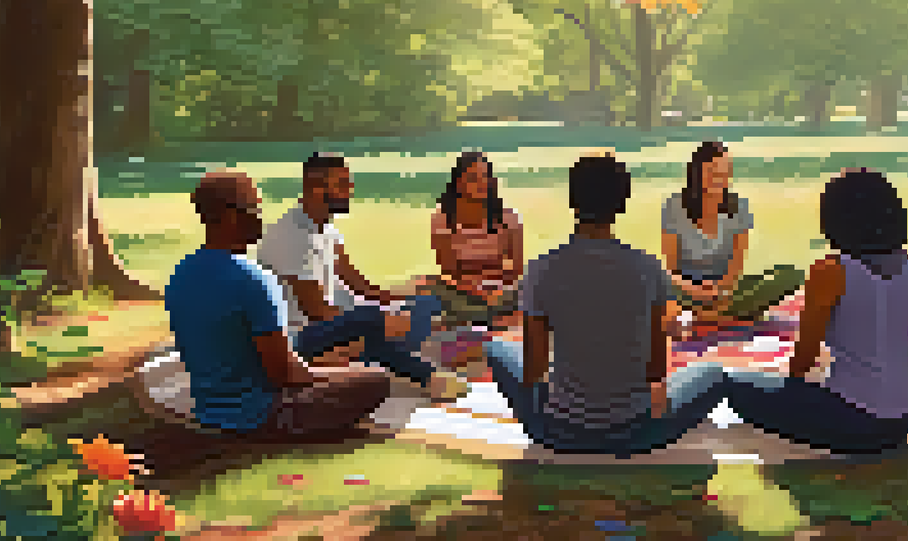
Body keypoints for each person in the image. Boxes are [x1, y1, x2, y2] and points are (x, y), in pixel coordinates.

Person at [482, 153, 734, 458]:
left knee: (497, 348)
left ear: (573, 202)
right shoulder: (648, 269)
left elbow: (534, 371)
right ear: (622, 202)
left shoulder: (540, 270)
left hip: (557, 432)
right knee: (713, 373)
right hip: (636, 432)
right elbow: (656, 371)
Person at [165, 169, 395, 439]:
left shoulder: (181, 274)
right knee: (375, 380)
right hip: (264, 415)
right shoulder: (253, 278)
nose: (261, 218)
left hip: (207, 410)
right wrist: (340, 374)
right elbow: (285, 374)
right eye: (255, 208)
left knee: (346, 367)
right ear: (230, 216)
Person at [719, 169, 908, 457]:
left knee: (731, 384)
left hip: (854, 422)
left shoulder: (830, 270)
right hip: (902, 421)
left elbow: (804, 358)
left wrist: (786, 389)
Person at [256, 151, 466, 402]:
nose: (350, 189)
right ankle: (417, 369)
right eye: (341, 184)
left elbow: (362, 287)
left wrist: (410, 294)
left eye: (349, 182)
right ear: (314, 188)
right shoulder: (292, 235)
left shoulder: (327, 230)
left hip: (333, 324)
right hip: (297, 337)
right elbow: (316, 312)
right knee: (372, 320)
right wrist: (378, 320)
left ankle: (376, 357)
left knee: (424, 304)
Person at [661, 141, 804, 331]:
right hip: (687, 290)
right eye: (712, 170)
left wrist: (720, 291)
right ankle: (728, 313)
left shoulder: (739, 207)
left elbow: (735, 269)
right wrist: (697, 290)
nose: (719, 177)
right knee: (656, 286)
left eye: (724, 171)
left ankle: (710, 314)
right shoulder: (674, 206)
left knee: (789, 274)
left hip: (727, 290)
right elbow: (670, 270)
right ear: (696, 173)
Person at [423, 151, 524, 329]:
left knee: (530, 287)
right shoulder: (443, 219)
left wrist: (493, 285)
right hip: (462, 290)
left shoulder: (509, 217)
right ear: (459, 183)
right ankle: (483, 317)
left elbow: (516, 267)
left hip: (499, 289)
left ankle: (479, 317)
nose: (481, 183)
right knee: (428, 287)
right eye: (473, 178)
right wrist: (474, 286)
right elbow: (449, 269)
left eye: (485, 177)